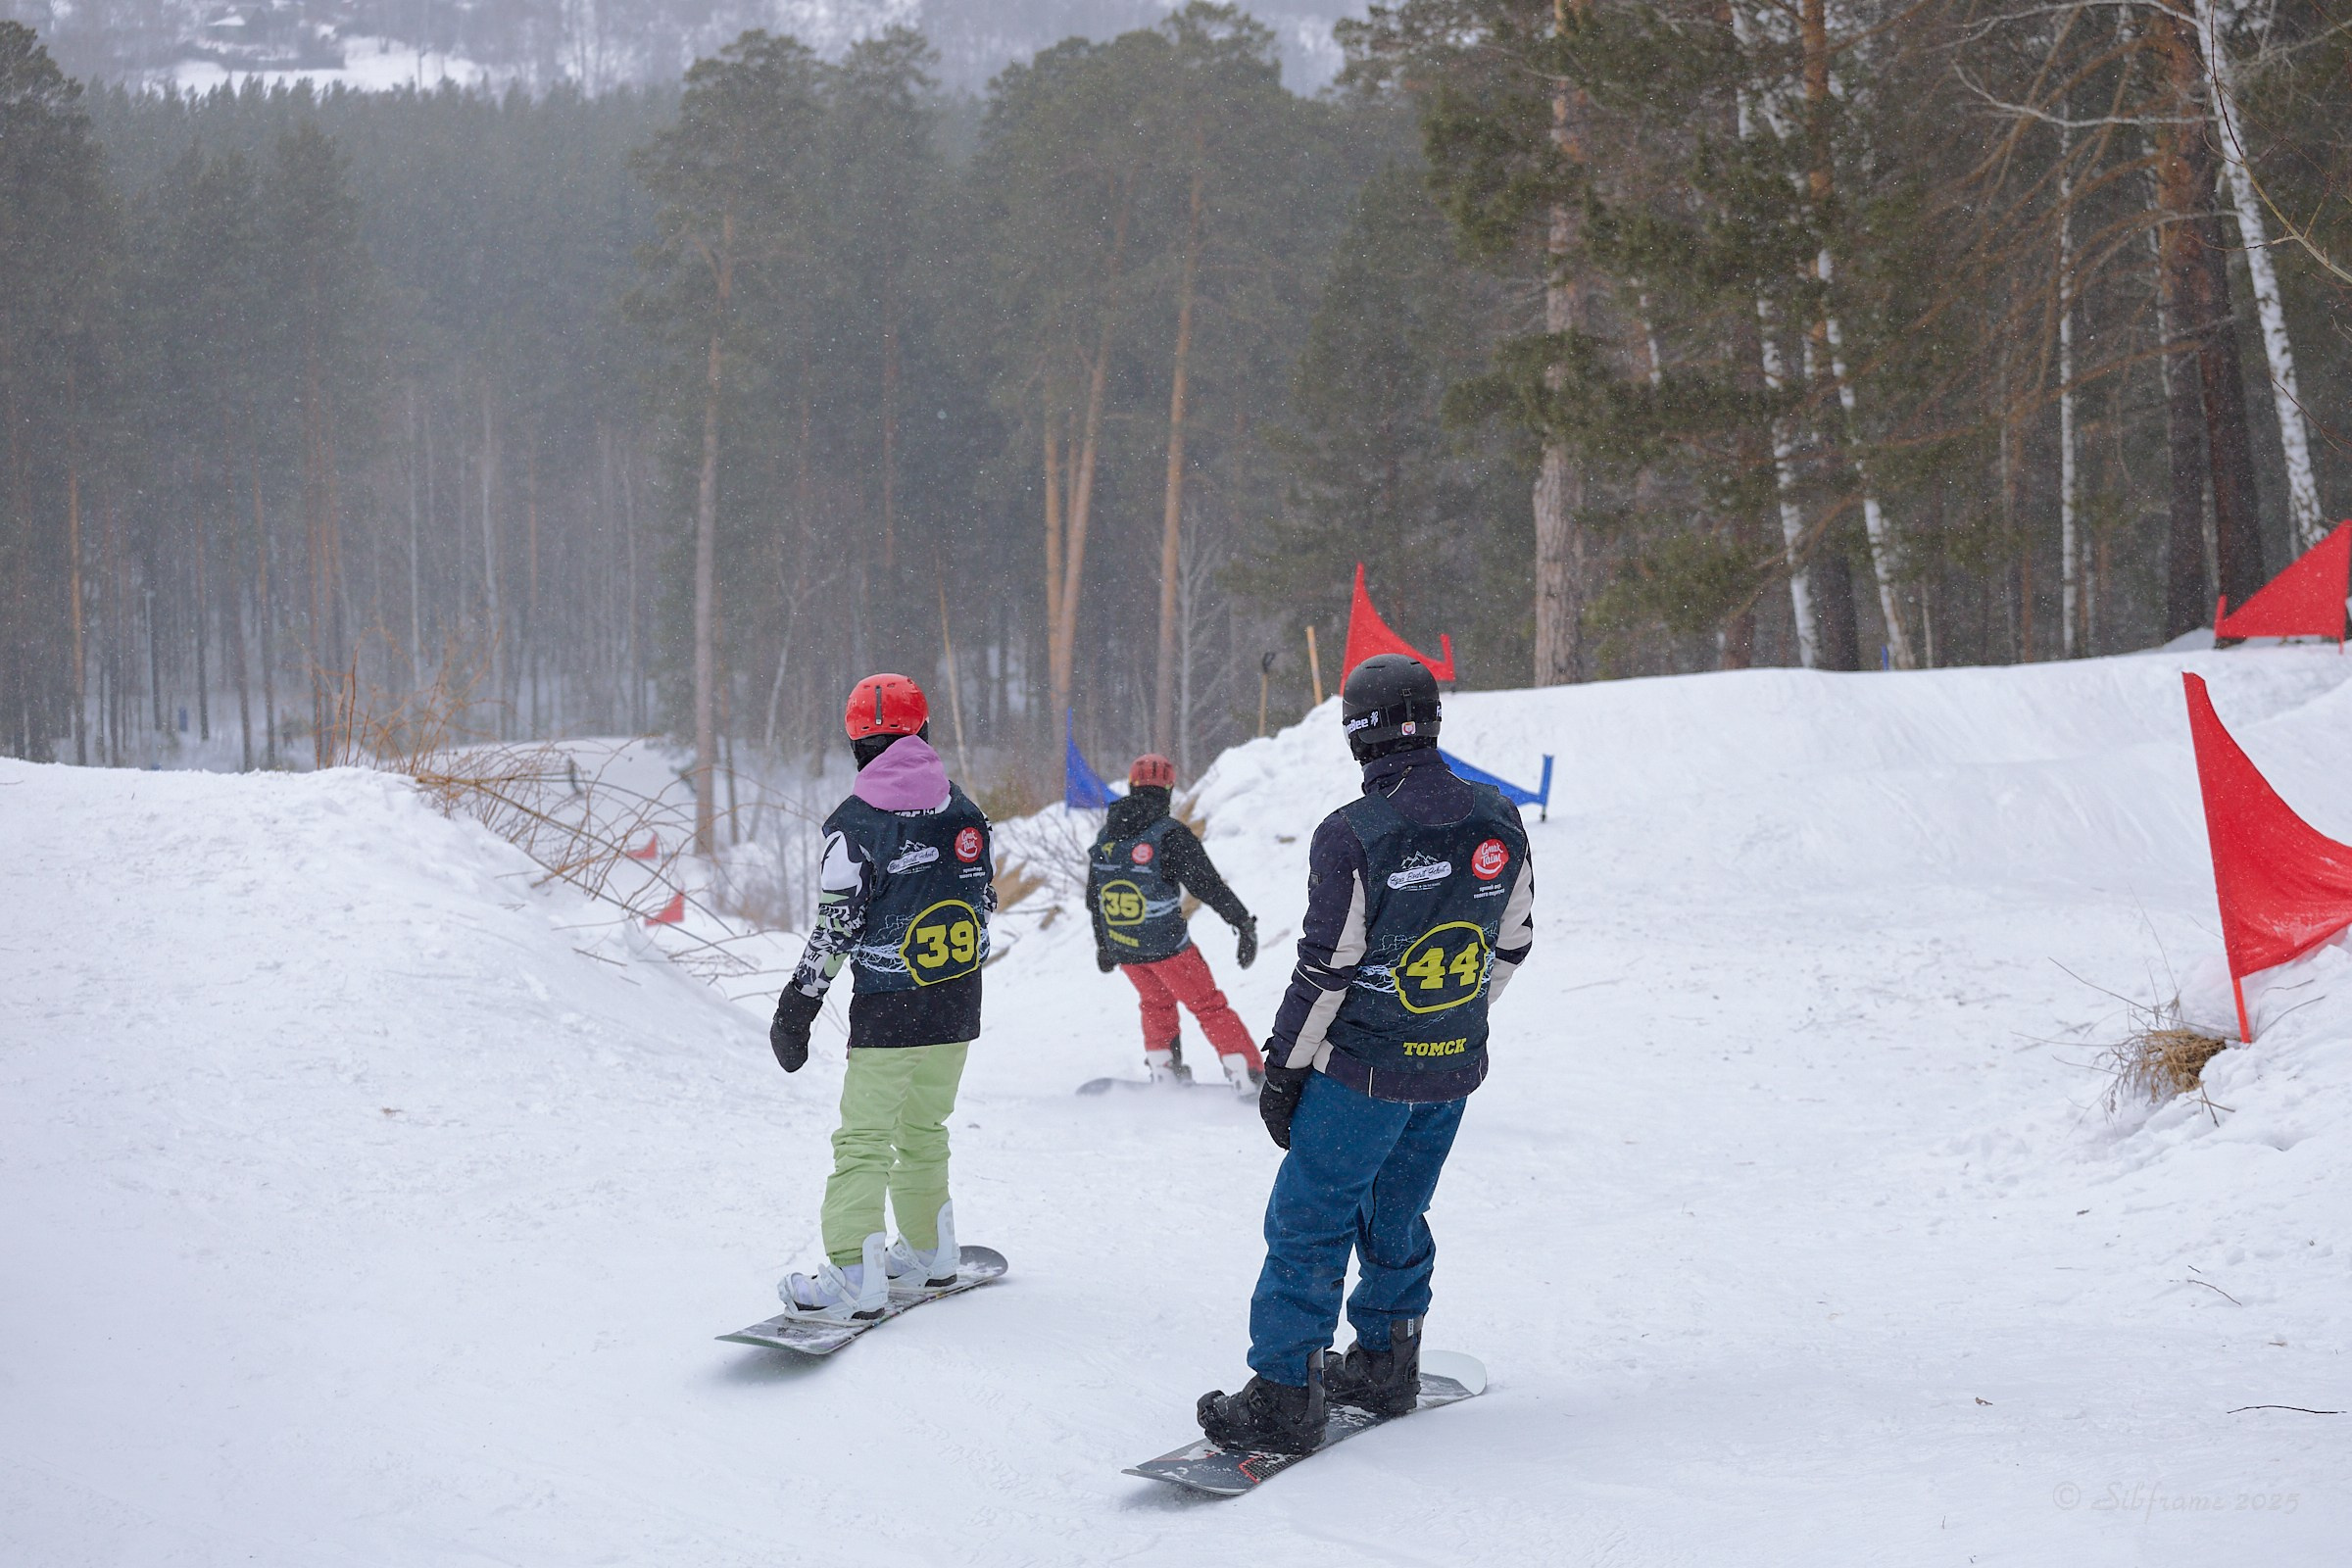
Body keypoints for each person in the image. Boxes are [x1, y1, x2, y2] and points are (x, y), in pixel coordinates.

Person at [1196, 654, 1535, 1452]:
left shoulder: (1353, 833)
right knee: (1397, 1210)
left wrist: (1283, 1069)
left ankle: (1285, 1394)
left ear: (1357, 734)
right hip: (1451, 1065)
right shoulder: (1499, 818)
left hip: (1362, 1075)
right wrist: (1452, 1016)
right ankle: (1386, 1360)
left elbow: (1327, 968)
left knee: (1310, 1222)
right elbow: (1512, 942)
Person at [767, 673, 996, 1321]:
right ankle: (928, 1251)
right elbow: (984, 902)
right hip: (957, 1003)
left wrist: (798, 1006)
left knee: (864, 1141)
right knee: (923, 1127)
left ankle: (849, 1276)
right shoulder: (966, 811)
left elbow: (838, 923)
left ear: (856, 741)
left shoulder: (857, 823)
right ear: (924, 729)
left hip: (891, 1009)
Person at [1086, 753, 1265, 1095]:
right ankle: (1248, 1075)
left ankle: (1164, 1070)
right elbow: (1208, 886)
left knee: (1155, 1003)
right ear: (1169, 788)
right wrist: (1243, 923)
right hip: (1167, 947)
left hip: (1125, 947)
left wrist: (1104, 945)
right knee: (1208, 1005)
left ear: (1132, 785)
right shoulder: (1169, 835)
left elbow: (1094, 897)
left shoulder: (1107, 834)